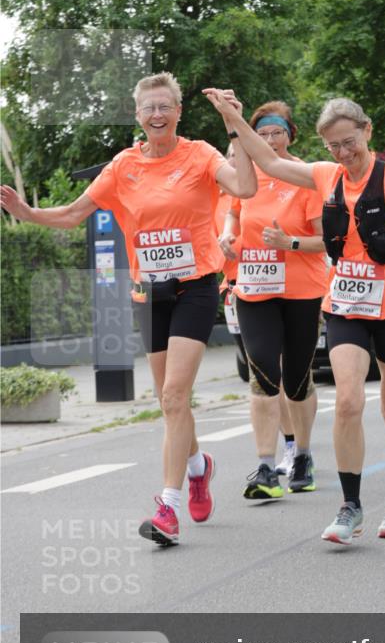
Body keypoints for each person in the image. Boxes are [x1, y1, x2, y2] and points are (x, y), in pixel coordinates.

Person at [203, 89, 385, 545]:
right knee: (348, 401)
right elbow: (271, 161)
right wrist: (232, 119)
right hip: (344, 305)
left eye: (349, 142)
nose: (343, 153)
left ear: (367, 131)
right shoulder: (326, 176)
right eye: (333, 146)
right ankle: (351, 505)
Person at [1, 71, 257, 546]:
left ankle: (168, 508)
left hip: (196, 286)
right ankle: (199, 467)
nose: (157, 115)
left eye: (165, 106)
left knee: (176, 396)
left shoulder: (200, 154)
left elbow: (243, 188)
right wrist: (30, 214)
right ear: (138, 115)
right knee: (169, 401)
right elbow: (76, 212)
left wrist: (234, 123)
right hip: (150, 293)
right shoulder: (123, 165)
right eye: (148, 108)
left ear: (179, 111)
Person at [218, 101, 329, 500]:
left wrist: (290, 242)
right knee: (263, 375)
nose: (268, 140)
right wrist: (227, 237)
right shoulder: (244, 176)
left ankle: (301, 454)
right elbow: (233, 214)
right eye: (261, 134)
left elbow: (327, 239)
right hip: (254, 288)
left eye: (276, 133)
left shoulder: (306, 176)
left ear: (290, 135)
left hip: (301, 289)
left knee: (297, 380)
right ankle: (265, 467)